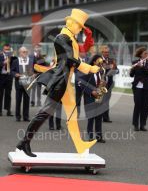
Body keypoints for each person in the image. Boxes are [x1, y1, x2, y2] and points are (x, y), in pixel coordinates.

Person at [16, 8, 100, 157]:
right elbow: (69, 59)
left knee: (71, 114)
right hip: (60, 79)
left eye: (81, 27)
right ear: (70, 22)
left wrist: (88, 39)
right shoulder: (62, 38)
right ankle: (24, 142)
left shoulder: (71, 38)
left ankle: (80, 145)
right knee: (45, 113)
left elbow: (80, 51)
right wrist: (89, 68)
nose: (80, 29)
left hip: (65, 80)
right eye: (79, 26)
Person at [81, 54, 106, 143]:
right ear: (94, 61)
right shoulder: (88, 71)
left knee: (99, 118)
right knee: (90, 118)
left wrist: (103, 83)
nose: (101, 63)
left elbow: (102, 82)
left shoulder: (102, 71)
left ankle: (99, 136)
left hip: (99, 97)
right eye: (99, 61)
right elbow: (81, 83)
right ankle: (90, 136)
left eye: (101, 62)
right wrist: (91, 92)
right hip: (90, 97)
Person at [130, 47, 148, 131]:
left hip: (147, 86)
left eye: (147, 53)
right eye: (145, 53)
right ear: (141, 54)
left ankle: (143, 124)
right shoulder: (135, 62)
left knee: (145, 106)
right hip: (137, 87)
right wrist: (133, 68)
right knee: (138, 105)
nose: (147, 55)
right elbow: (132, 75)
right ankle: (136, 124)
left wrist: (142, 66)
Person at [11, 47, 35, 122]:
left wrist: (34, 74)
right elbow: (12, 71)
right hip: (19, 83)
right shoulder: (15, 61)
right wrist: (16, 74)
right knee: (18, 100)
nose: (25, 53)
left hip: (28, 83)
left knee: (26, 100)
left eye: (26, 52)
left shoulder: (31, 60)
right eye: (23, 52)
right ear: (20, 53)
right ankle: (18, 116)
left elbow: (35, 69)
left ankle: (26, 116)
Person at [101, 45, 119, 122]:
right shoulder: (99, 60)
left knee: (106, 101)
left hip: (109, 83)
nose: (107, 54)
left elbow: (117, 71)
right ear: (102, 52)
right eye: (105, 52)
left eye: (108, 52)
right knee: (100, 100)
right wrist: (107, 67)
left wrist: (114, 68)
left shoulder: (111, 60)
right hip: (101, 83)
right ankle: (97, 116)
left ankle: (106, 117)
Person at [0, 44, 13, 116]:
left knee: (8, 94)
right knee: (0, 94)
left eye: (8, 49)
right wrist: (3, 63)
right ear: (3, 49)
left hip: (8, 76)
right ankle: (0, 111)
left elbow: (15, 66)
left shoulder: (12, 57)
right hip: (1, 76)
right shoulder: (0, 56)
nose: (7, 51)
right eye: (6, 49)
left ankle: (8, 110)